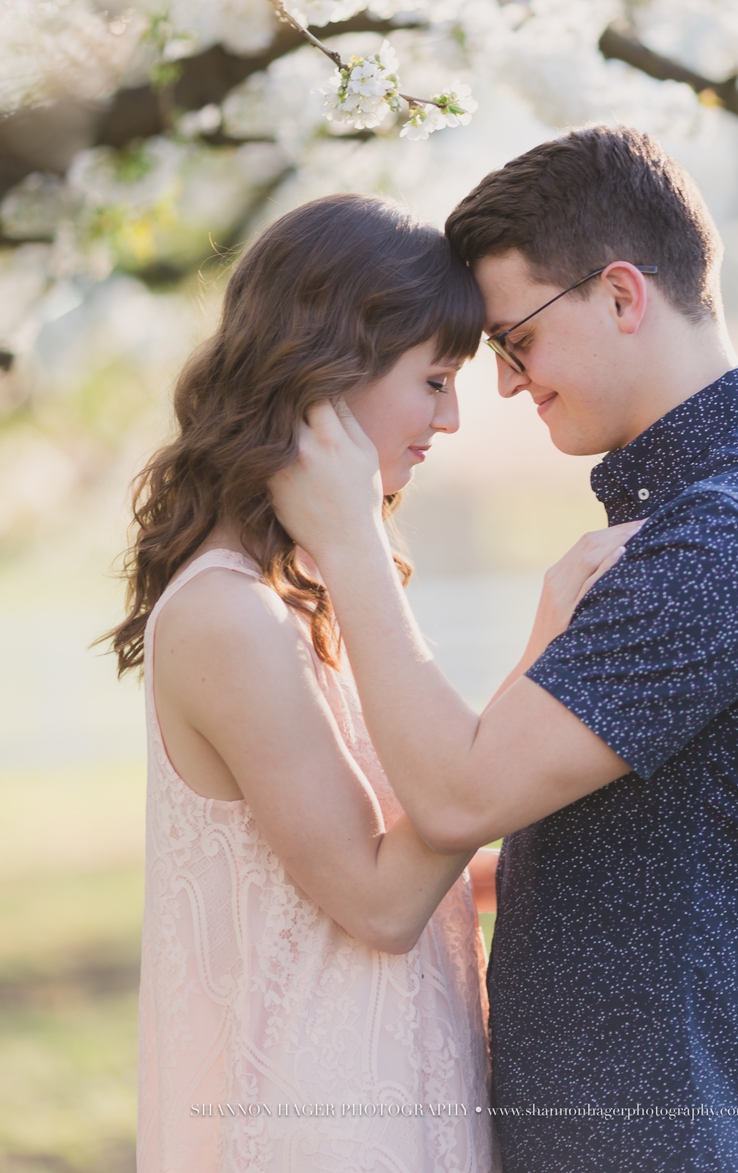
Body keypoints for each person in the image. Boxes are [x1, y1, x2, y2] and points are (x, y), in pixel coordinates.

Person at [268, 127, 738, 1173]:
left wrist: (349, 542)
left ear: (619, 294)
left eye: (515, 340)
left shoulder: (730, 533)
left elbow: (458, 795)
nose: (508, 386)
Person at [110, 192, 630, 1173]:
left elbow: (402, 855)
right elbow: (383, 902)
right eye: (434, 379)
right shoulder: (228, 613)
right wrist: (543, 653)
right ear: (326, 374)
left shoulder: (300, 584)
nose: (452, 416)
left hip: (388, 1085)